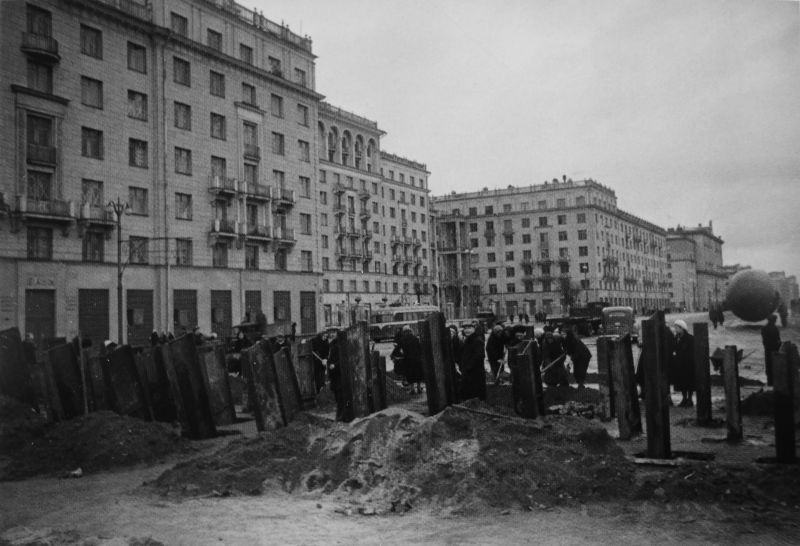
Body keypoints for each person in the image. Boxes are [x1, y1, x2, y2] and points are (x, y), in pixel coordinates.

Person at [458, 320, 486, 401]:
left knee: (475, 395)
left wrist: (468, 367)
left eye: (469, 328)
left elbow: (479, 356)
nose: (467, 330)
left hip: (475, 374)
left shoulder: (477, 340)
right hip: (469, 373)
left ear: (474, 328)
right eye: (465, 328)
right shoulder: (468, 340)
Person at [671, 319, 695, 407]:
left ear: (682, 328)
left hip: (688, 363)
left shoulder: (690, 338)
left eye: (677, 327)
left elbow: (692, 351)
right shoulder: (676, 338)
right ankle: (684, 398)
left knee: (689, 382)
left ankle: (690, 399)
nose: (675, 329)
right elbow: (674, 348)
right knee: (682, 382)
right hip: (680, 364)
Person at [398, 325, 424, 394]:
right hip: (417, 359)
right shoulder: (415, 338)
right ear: (410, 331)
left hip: (408, 360)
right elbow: (420, 348)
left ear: (404, 332)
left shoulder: (402, 339)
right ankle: (419, 388)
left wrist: (398, 354)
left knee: (410, 374)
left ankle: (412, 389)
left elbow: (397, 350)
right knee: (418, 373)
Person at [761, 314, 781, 386]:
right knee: (774, 366)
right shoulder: (774, 329)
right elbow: (778, 339)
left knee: (769, 366)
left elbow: (765, 341)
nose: (775, 322)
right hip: (774, 349)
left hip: (769, 350)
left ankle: (770, 382)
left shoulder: (765, 328)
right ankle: (772, 382)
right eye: (774, 320)